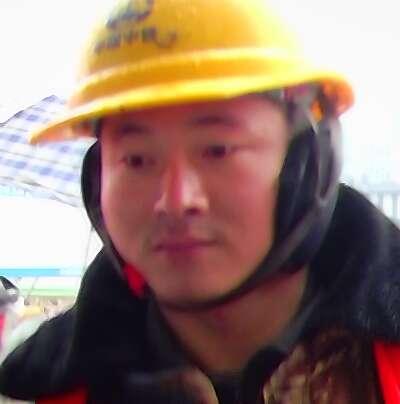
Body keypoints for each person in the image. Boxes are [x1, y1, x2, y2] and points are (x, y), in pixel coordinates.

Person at [1, 0, 400, 403]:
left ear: (309, 162)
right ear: (97, 181)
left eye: (217, 150)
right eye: (136, 159)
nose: (175, 200)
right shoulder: (33, 391)